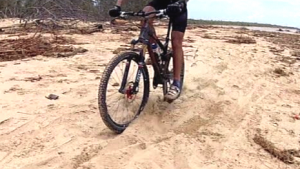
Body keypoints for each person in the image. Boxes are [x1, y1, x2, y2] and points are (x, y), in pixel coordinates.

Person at [109, 0, 188, 102]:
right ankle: (156, 56)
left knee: (176, 41)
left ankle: (176, 82)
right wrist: (117, 6)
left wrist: (181, 3)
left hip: (178, 5)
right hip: (159, 3)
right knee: (145, 18)